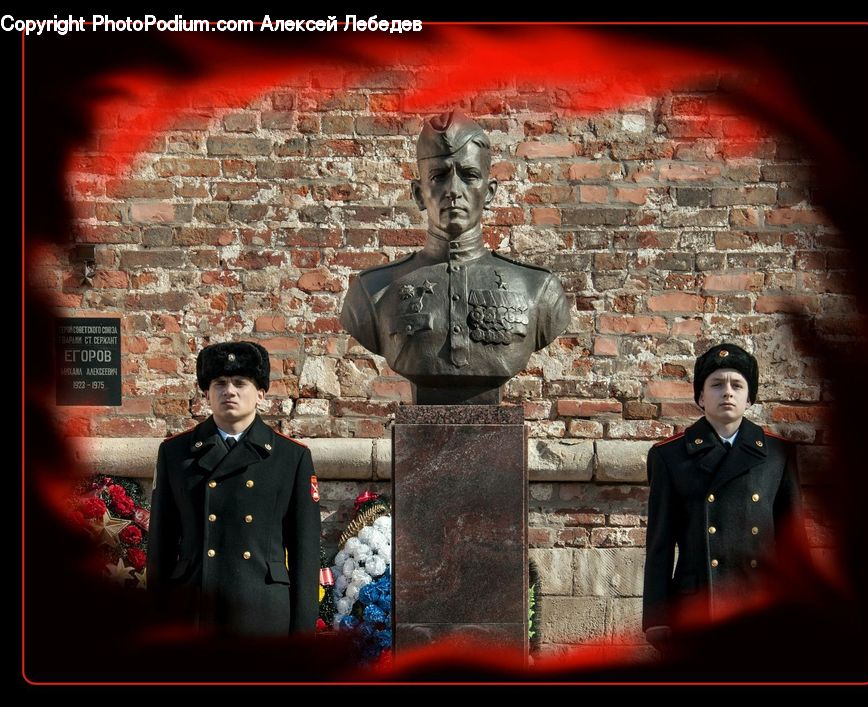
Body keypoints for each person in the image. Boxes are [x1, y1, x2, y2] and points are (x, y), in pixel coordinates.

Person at [340, 110, 570, 404]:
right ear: (419, 194)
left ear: (489, 192)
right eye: (438, 176)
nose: (453, 190)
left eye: (470, 175)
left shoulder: (537, 288)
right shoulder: (372, 291)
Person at [148, 341, 321, 635]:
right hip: (193, 610)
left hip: (263, 612)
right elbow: (161, 547)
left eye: (241, 383)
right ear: (207, 393)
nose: (229, 391)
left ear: (260, 394)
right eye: (219, 383)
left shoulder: (291, 457)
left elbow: (305, 554)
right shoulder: (176, 453)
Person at [642, 343, 806, 649]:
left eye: (737, 385)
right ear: (701, 397)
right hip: (696, 606)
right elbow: (660, 543)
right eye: (716, 384)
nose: (727, 392)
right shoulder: (670, 456)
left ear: (750, 397)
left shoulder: (778, 453)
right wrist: (657, 616)